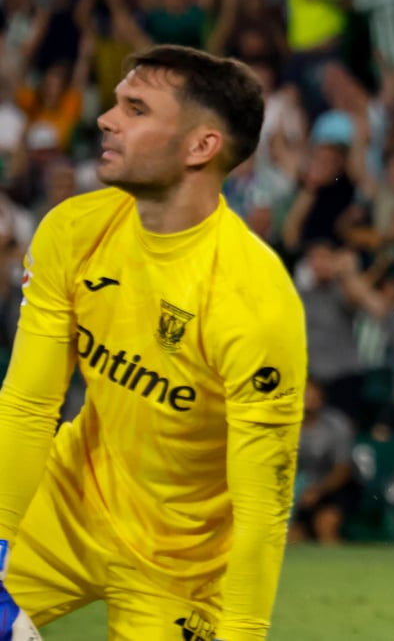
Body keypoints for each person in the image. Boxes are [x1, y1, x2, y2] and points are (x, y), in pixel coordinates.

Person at [0, 45, 307, 641]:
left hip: (182, 567)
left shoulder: (255, 304)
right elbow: (29, 406)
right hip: (67, 506)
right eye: (116, 102)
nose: (105, 119)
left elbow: (261, 507)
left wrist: (242, 632)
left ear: (201, 147)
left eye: (136, 109)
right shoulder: (74, 230)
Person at [290, 379, 361, 547]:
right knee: (291, 536)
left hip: (332, 487)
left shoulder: (337, 425)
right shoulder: (280, 425)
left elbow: (343, 469)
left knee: (326, 525)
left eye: (314, 394)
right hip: (292, 491)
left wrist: (318, 490)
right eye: (305, 394)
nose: (310, 398)